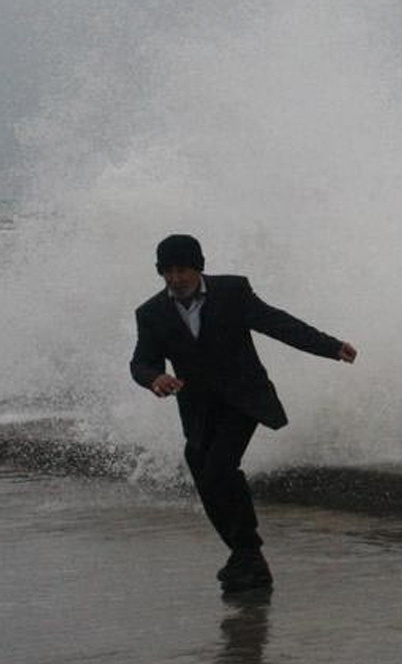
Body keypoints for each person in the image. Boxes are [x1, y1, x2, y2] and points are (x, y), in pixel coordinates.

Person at [130, 234, 357, 595]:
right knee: (203, 472)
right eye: (168, 271)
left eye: (183, 269)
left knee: (220, 468)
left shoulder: (232, 292)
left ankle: (248, 552)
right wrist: (154, 378)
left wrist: (330, 347)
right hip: (199, 408)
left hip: (243, 400)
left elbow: (277, 323)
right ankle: (244, 554)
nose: (176, 279)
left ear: (198, 266)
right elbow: (142, 361)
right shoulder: (152, 313)